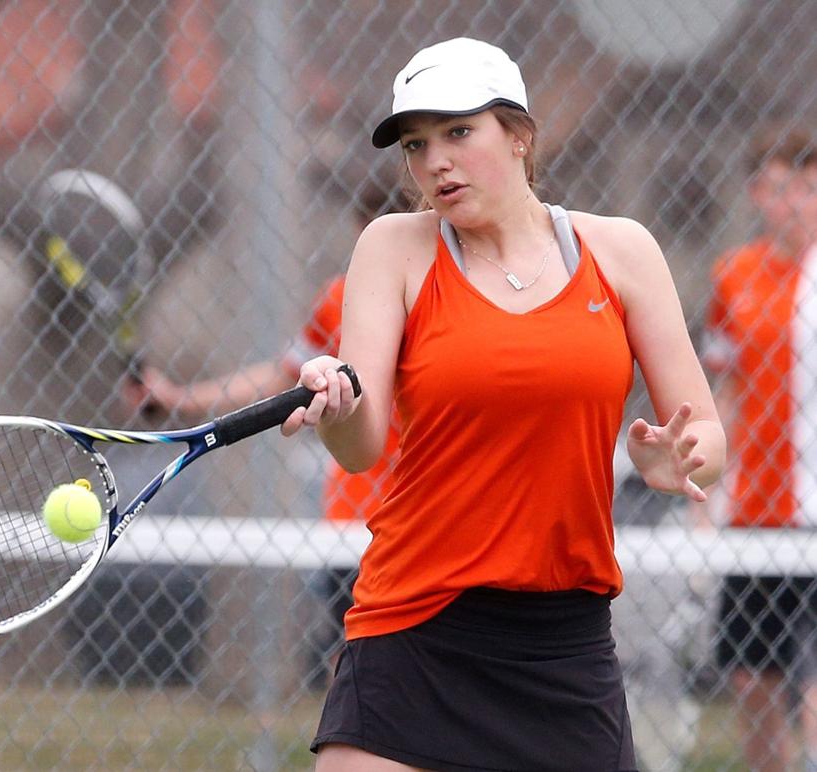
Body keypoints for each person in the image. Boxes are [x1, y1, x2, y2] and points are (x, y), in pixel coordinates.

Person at [279, 37, 726, 771]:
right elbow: (361, 446)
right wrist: (335, 408)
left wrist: (678, 458)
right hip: (412, 621)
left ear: (519, 136)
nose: (435, 162)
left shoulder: (621, 252)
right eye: (417, 145)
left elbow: (705, 436)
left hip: (561, 642)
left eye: (458, 132)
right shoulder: (392, 248)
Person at [123, 216, 402, 688]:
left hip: (444, 521)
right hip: (356, 527)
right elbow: (284, 376)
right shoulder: (341, 299)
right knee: (363, 675)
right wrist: (177, 399)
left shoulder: (475, 298)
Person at [703, 126, 817, 772]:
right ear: (755, 194)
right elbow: (723, 386)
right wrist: (708, 489)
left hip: (812, 511)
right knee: (752, 678)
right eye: (778, 188)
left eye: (805, 187)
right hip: (754, 511)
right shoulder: (734, 274)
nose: (793, 202)